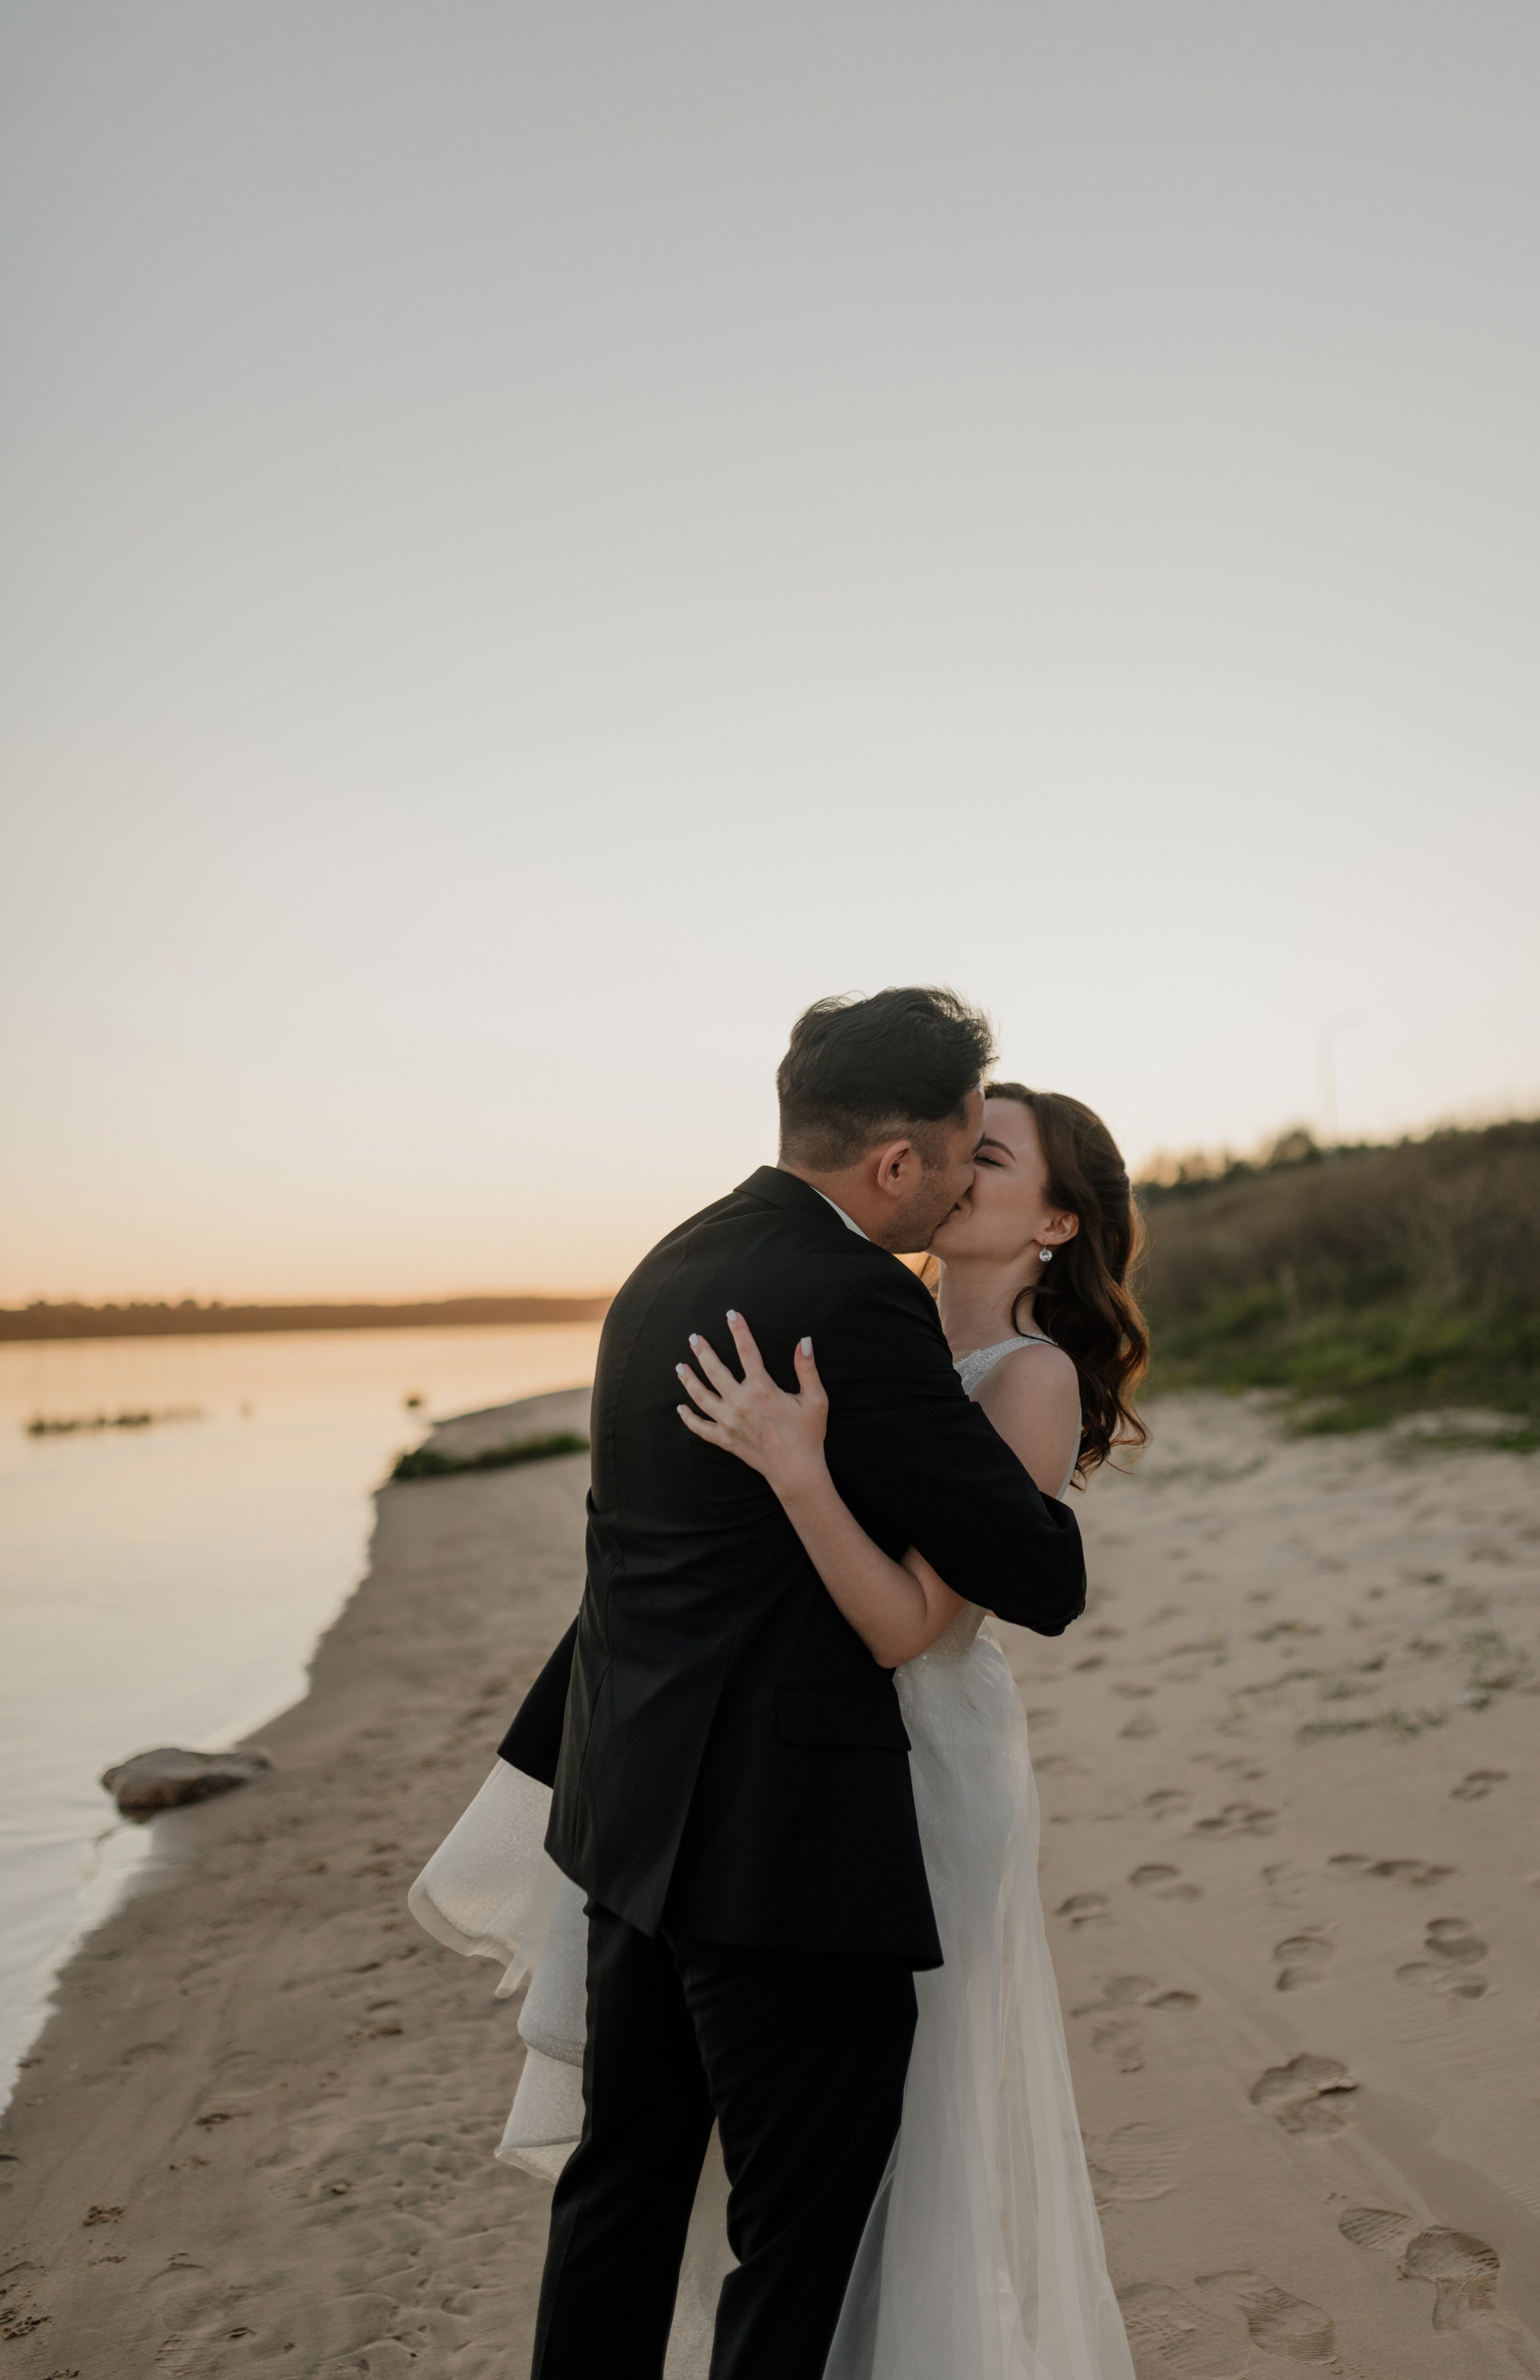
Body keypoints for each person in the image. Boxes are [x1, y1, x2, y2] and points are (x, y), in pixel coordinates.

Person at [410, 990, 1088, 2380]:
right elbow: (1035, 1567)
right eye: (961, 1150)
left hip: (631, 1821)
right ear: (894, 1163)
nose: (962, 1182)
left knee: (623, 2187)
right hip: (785, 1851)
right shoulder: (851, 1299)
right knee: (797, 2233)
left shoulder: (666, 1265)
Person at [677, 1081, 1147, 2379]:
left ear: (1054, 1222)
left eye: (986, 1154)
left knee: (908, 2127)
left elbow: (911, 1628)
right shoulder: (877, 1327)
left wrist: (795, 1467)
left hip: (929, 1759)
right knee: (805, 2135)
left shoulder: (1032, 1379)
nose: (951, 1164)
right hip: (805, 1755)